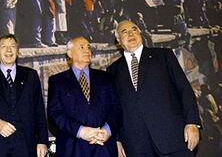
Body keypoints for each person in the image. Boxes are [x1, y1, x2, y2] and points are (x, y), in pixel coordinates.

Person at [107, 20, 201, 157]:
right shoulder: (112, 70)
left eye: (134, 29)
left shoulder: (164, 56)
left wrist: (192, 122)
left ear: (140, 33)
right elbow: (113, 108)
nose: (130, 34)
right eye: (124, 32)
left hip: (173, 139)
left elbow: (184, 90)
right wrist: (117, 140)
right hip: (136, 146)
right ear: (119, 40)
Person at [0, 34, 48, 157]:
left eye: (12, 46)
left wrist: (43, 141)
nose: (8, 50)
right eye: (3, 47)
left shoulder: (30, 76)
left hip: (26, 146)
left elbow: (39, 110)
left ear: (17, 52)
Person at [47, 37, 122, 156]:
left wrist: (106, 131)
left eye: (88, 47)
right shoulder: (57, 81)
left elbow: (116, 109)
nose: (87, 50)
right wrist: (81, 131)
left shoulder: (106, 77)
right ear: (70, 53)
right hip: (72, 148)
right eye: (81, 47)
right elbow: (55, 114)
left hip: (104, 147)